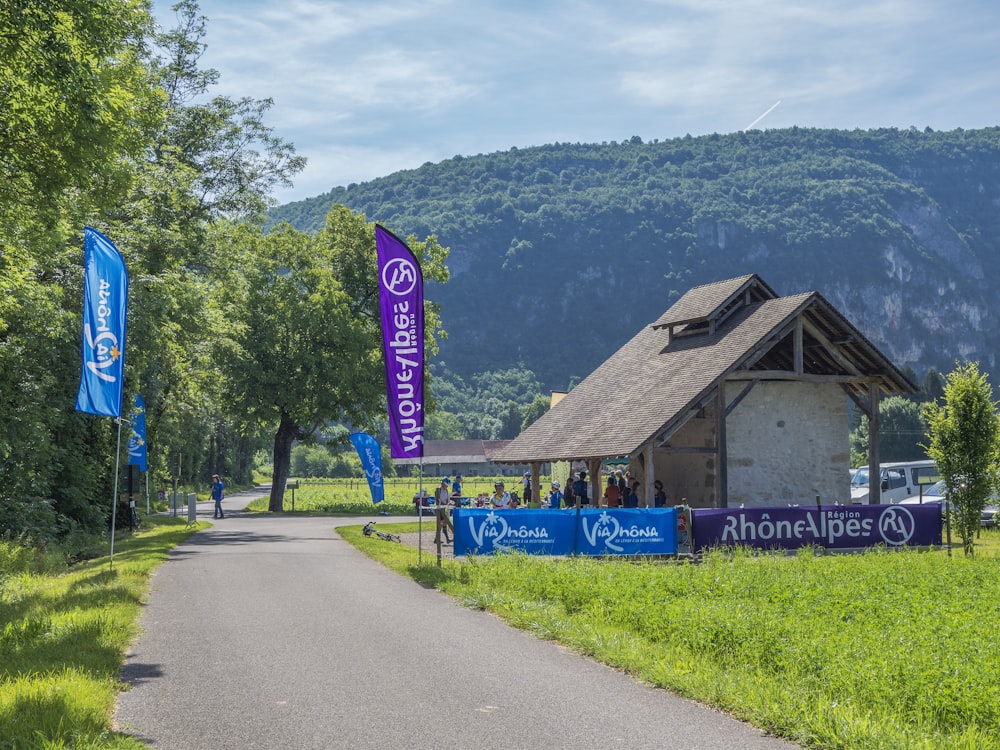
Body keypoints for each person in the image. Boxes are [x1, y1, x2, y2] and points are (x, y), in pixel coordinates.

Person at [434, 478, 453, 544]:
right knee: (444, 522)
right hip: (439, 509)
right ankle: (442, 538)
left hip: (443, 508)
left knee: (444, 523)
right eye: (446, 485)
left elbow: (447, 499)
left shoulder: (446, 491)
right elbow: (438, 500)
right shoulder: (438, 490)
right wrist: (444, 504)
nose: (447, 486)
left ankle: (439, 538)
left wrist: (449, 502)